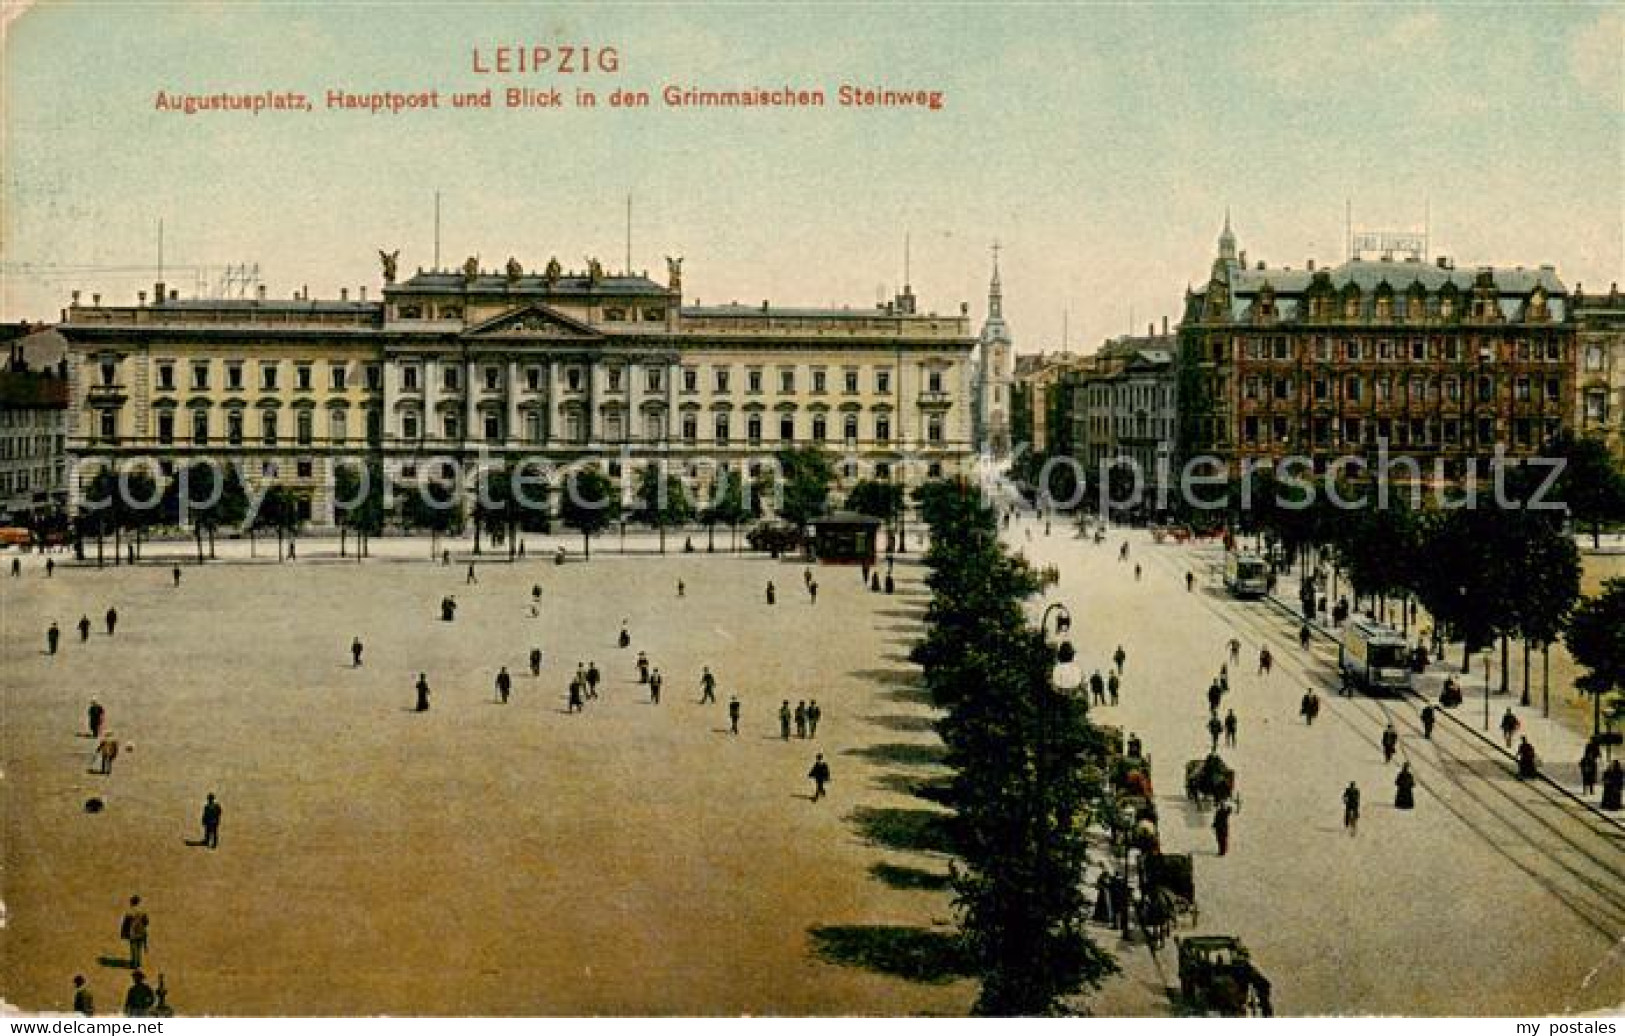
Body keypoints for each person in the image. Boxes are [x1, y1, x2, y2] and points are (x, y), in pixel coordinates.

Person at [121, 897, 149, 968]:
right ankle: (139, 963)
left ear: (132, 903)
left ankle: (134, 963)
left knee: (134, 948)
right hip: (142, 932)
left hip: (133, 933)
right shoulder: (142, 911)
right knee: (139, 948)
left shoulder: (130, 912)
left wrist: (124, 934)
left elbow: (126, 924)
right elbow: (146, 922)